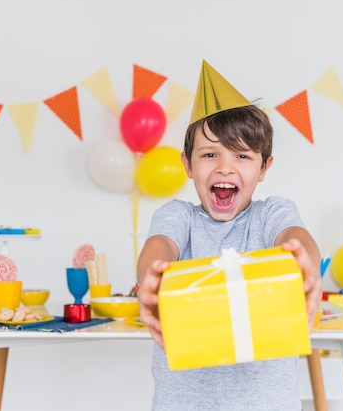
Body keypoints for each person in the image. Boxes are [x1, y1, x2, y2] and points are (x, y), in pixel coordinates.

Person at [136, 60, 323, 410]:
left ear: (264, 167)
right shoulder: (179, 217)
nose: (225, 167)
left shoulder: (271, 214)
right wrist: (151, 274)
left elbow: (295, 236)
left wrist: (305, 264)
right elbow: (159, 247)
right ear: (188, 165)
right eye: (210, 155)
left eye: (242, 155)